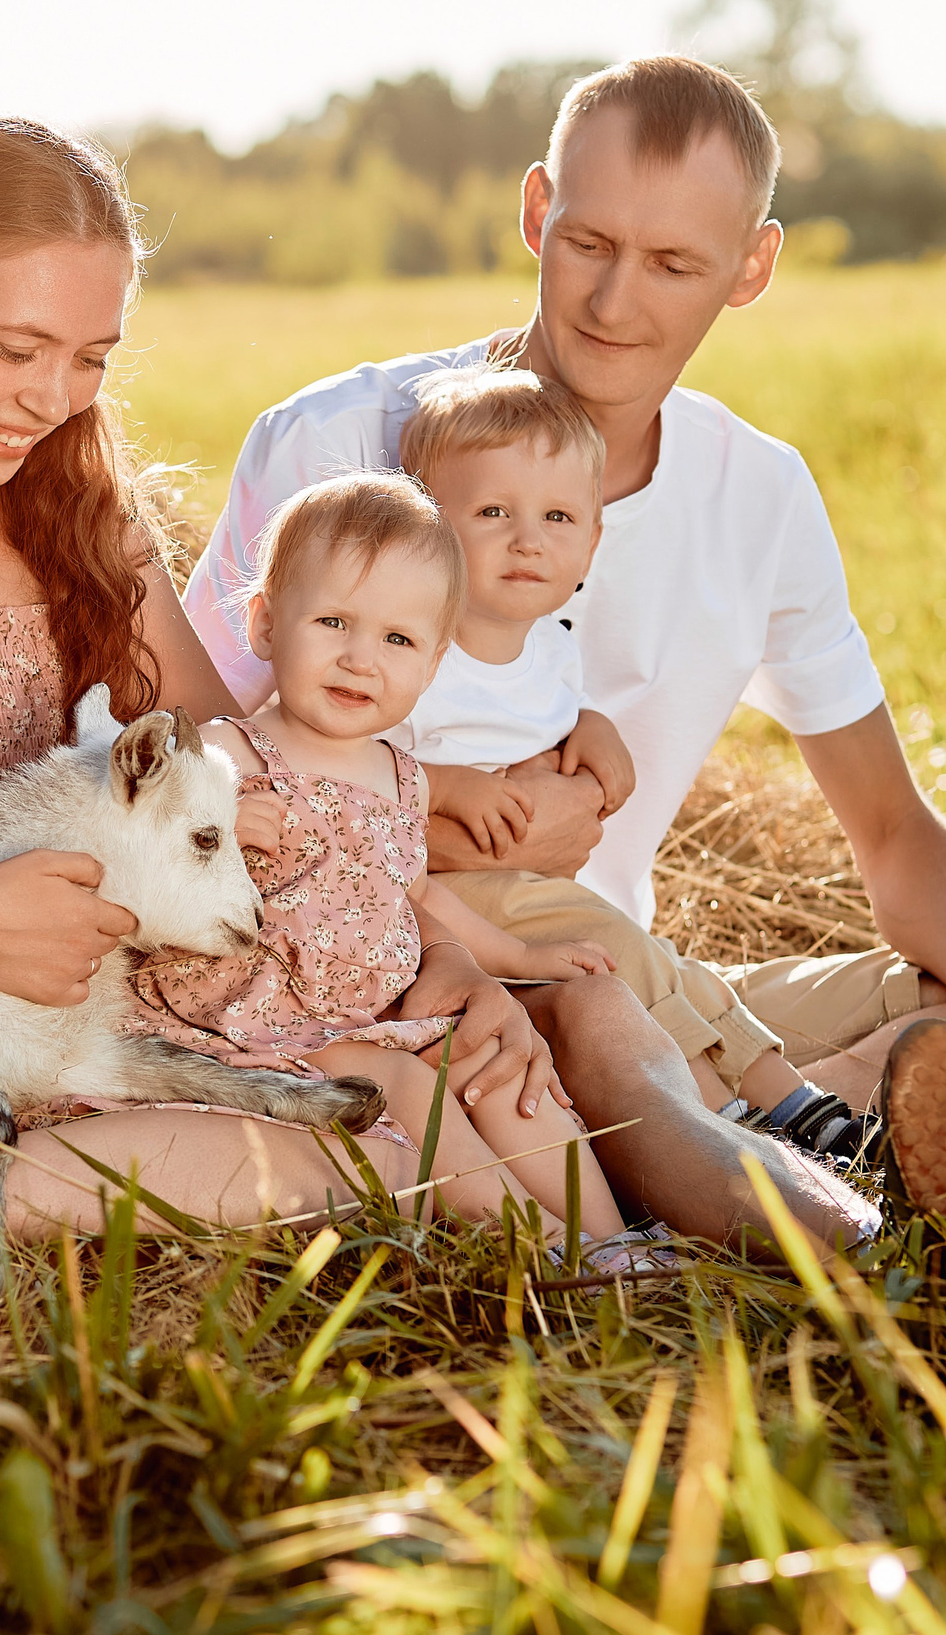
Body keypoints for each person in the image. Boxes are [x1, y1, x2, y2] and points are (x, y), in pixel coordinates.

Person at [0, 117, 878, 1260]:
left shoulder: (79, 521)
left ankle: (712, 1188)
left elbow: (252, 788)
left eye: (90, 358)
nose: (50, 400)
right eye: (16, 346)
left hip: (133, 988)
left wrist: (431, 958)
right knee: (402, 1154)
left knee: (443, 1097)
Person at [179, 56, 946, 1166]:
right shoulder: (335, 443)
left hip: (616, 969)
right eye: (590, 244)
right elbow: (176, 763)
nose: (614, 302)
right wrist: (434, 826)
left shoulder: (758, 494)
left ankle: (804, 1116)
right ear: (535, 210)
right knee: (599, 1035)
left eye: (671, 263)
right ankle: (804, 1133)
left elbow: (891, 833)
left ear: (751, 266)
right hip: (395, 982)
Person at [128, 472, 629, 1248]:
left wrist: (522, 955)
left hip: (373, 1014)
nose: (362, 660)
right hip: (256, 1030)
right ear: (265, 626)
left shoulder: (401, 778)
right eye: (334, 622)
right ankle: (549, 1244)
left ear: (431, 665)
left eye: (397, 640)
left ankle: (618, 1241)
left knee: (499, 1076)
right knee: (410, 1085)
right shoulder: (227, 752)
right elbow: (136, 843)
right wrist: (211, 821)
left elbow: (419, 899)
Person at [391, 364, 876, 1157]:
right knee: (621, 951)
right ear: (425, 525)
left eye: (556, 516)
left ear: (591, 539)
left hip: (530, 890)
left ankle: (788, 1103)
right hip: (447, 899)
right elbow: (343, 771)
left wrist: (587, 721)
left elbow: (530, 711)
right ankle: (747, 1120)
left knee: (662, 964)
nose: (528, 539)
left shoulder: (548, 646)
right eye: (491, 512)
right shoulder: (413, 647)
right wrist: (443, 785)